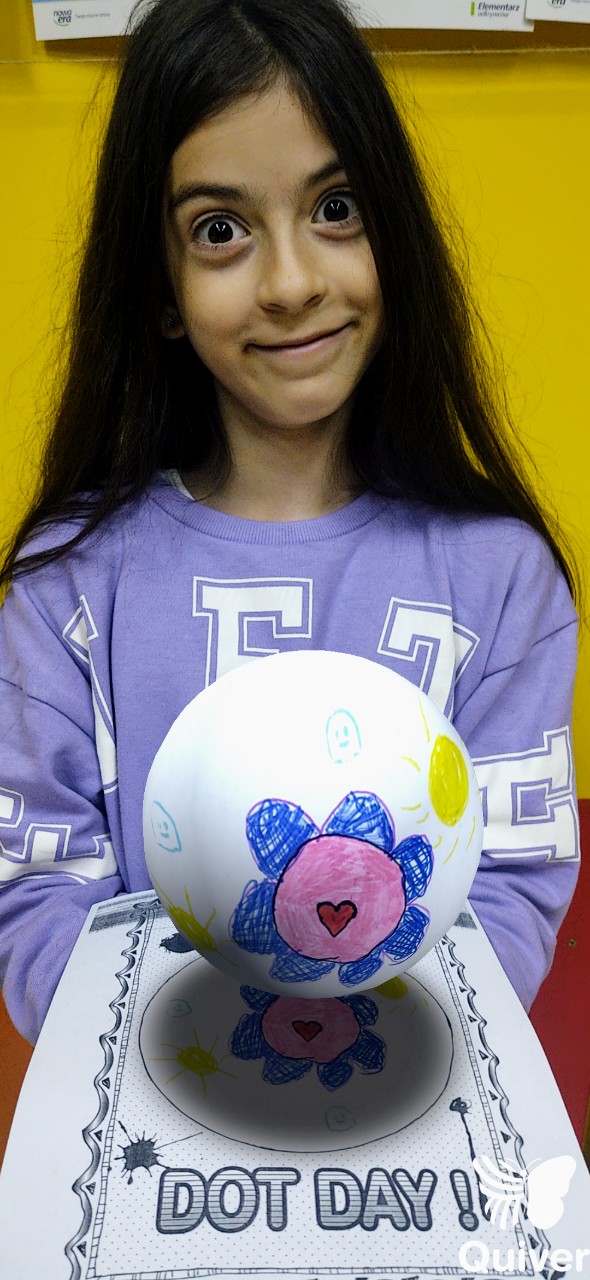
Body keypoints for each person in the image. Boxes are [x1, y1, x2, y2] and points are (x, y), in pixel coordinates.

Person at [0, 0, 580, 1045]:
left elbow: (509, 883)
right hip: (152, 1099)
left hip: (409, 1101)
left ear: (394, 233)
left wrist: (359, 1061)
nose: (292, 283)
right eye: (219, 231)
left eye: (336, 208)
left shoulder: (502, 576)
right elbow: (35, 891)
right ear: (161, 288)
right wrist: (198, 1059)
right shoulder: (67, 584)